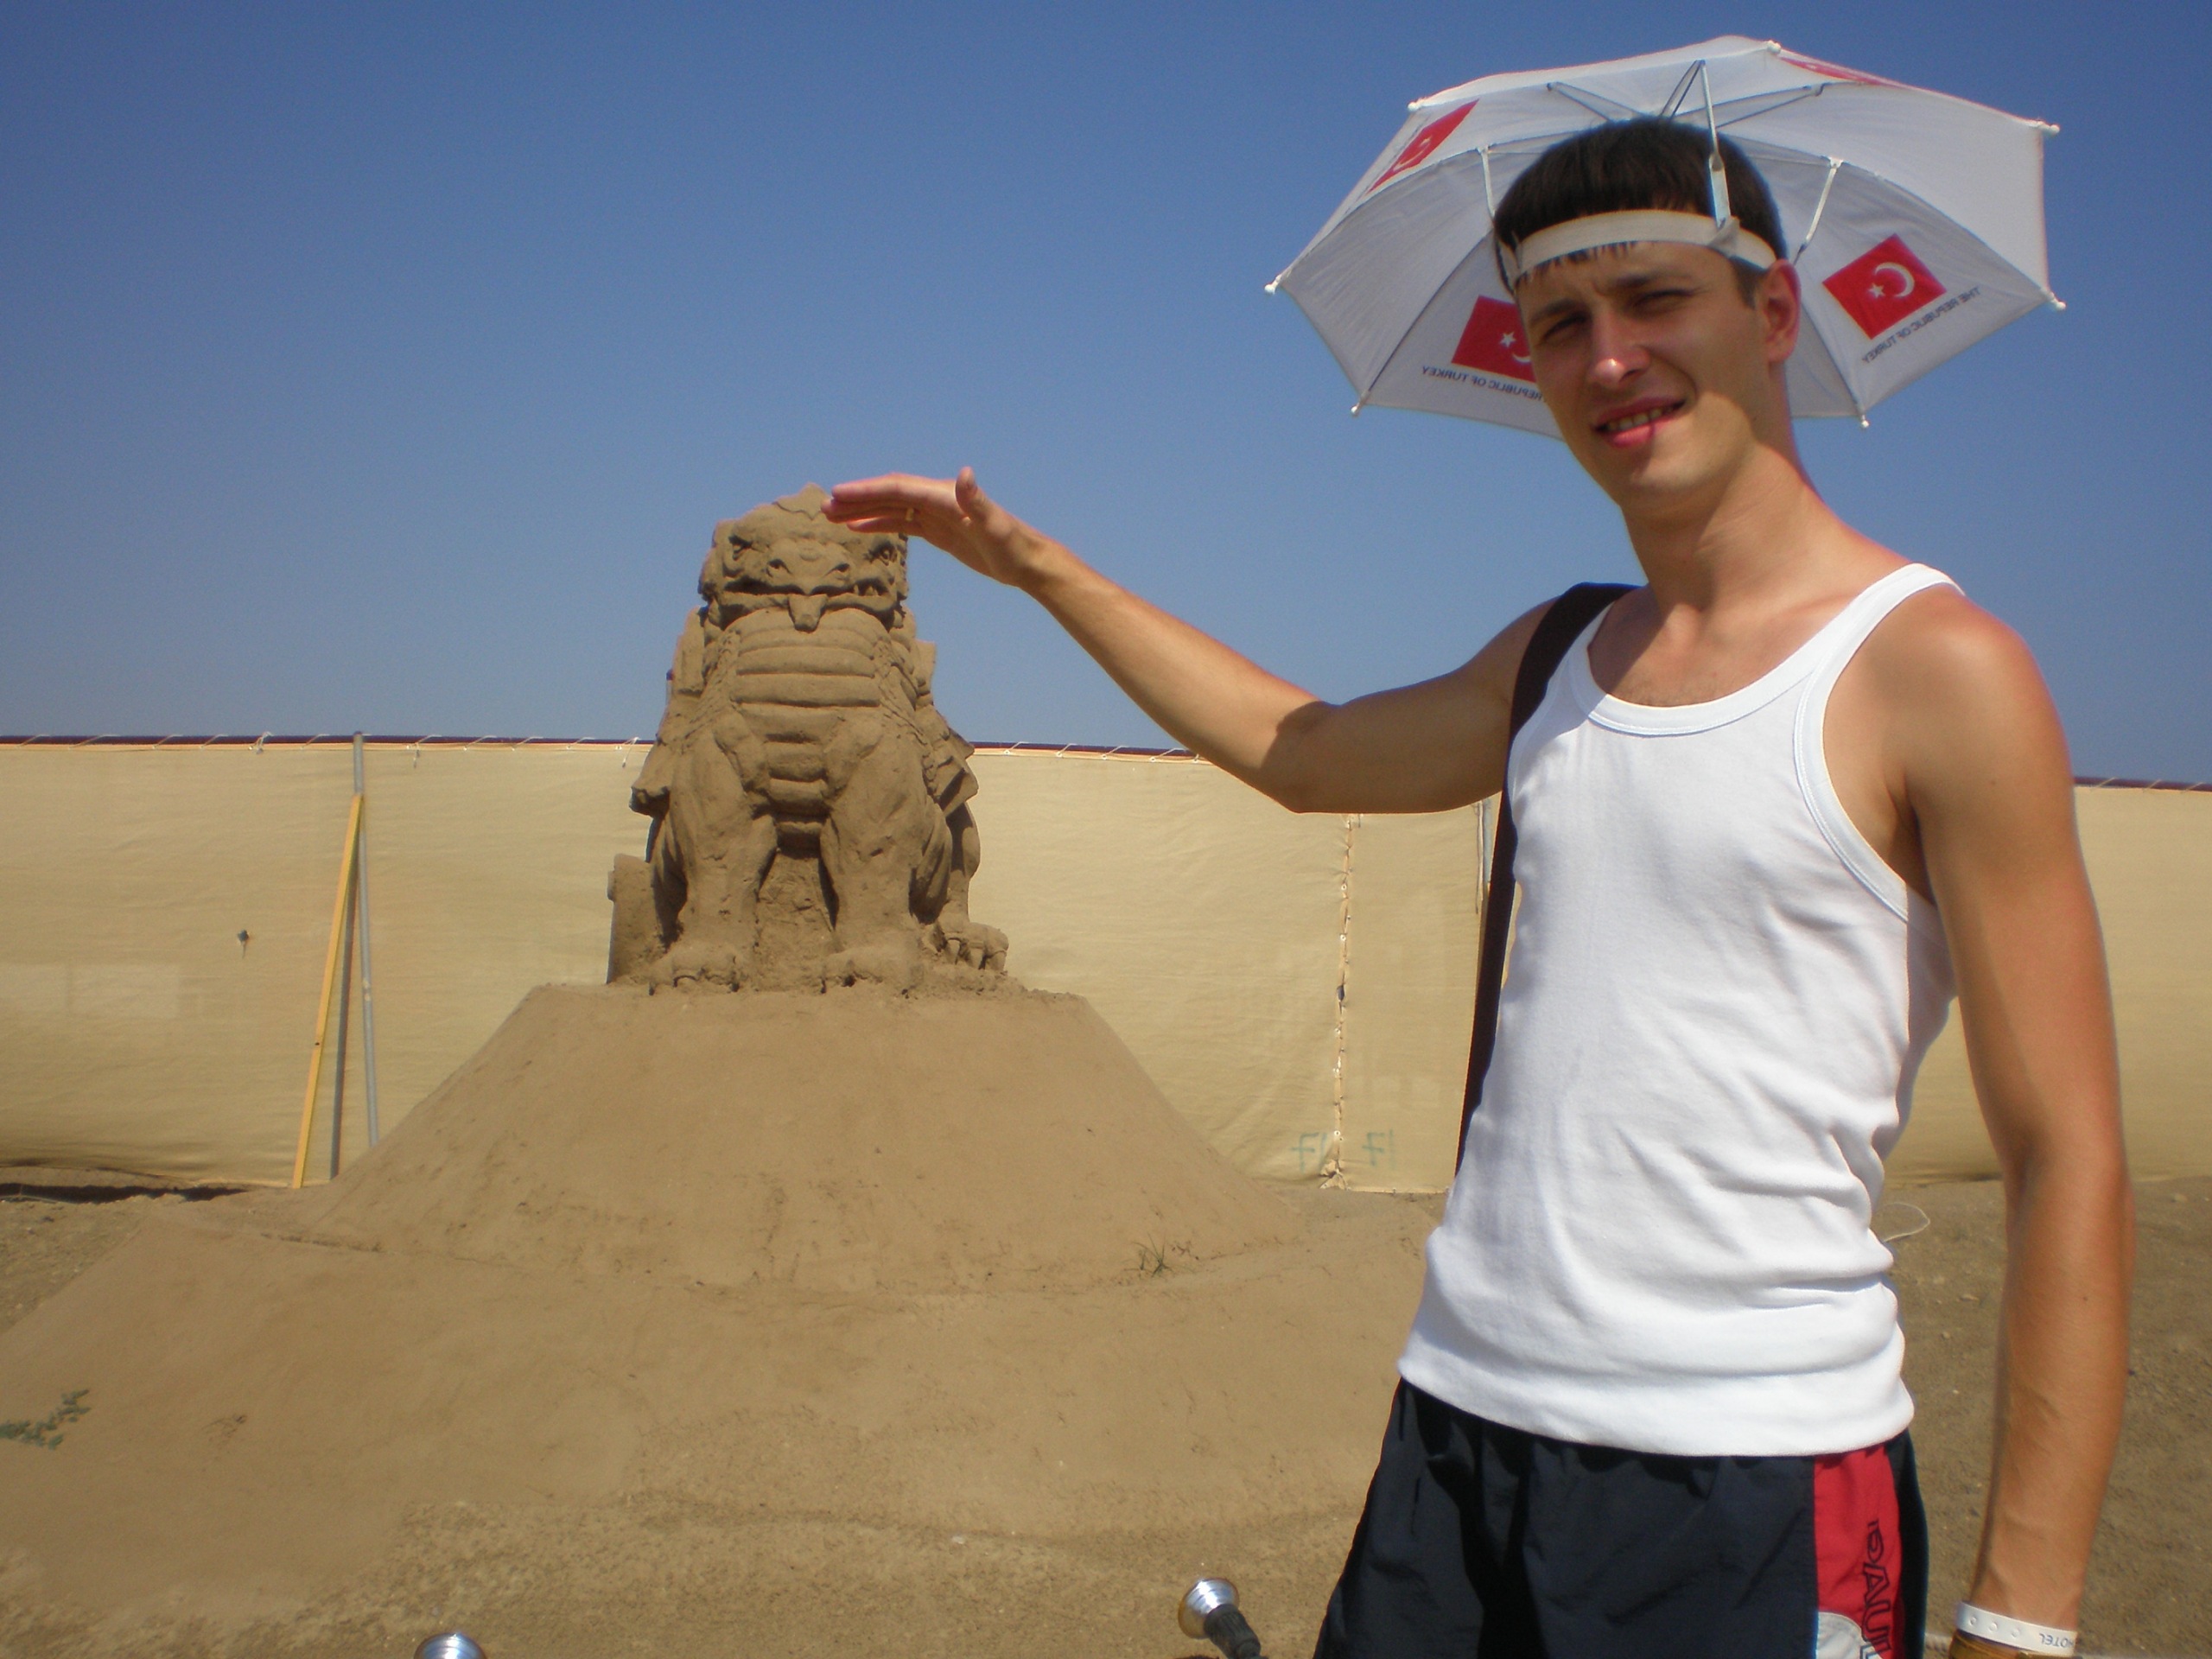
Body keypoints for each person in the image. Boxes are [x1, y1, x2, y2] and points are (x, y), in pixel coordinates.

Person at [824, 117, 2132, 1659]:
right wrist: (1040, 572)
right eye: (1559, 322)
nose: (1609, 357)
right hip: (1458, 1434)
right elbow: (1302, 753)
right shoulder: (1557, 656)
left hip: (1751, 1479)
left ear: (1774, 312)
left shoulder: (1936, 671)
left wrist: (2019, 1621)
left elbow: (2068, 1156)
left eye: (1657, 298)